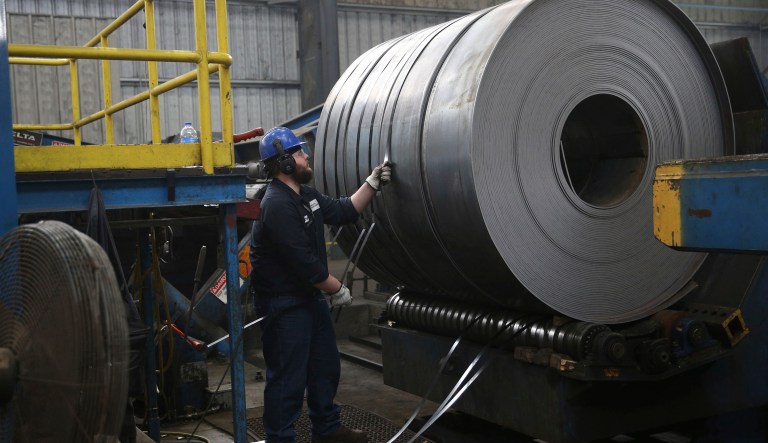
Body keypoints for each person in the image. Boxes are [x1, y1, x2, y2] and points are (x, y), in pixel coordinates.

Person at [249, 126, 391, 443]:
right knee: (287, 379)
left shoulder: (306, 195)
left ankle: (327, 430)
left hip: (309, 300)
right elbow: (302, 262)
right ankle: (280, 438)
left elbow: (342, 210)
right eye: (300, 152)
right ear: (284, 163)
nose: (307, 155)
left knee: (324, 368)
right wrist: (336, 287)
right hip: (284, 305)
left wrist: (371, 183)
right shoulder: (277, 204)